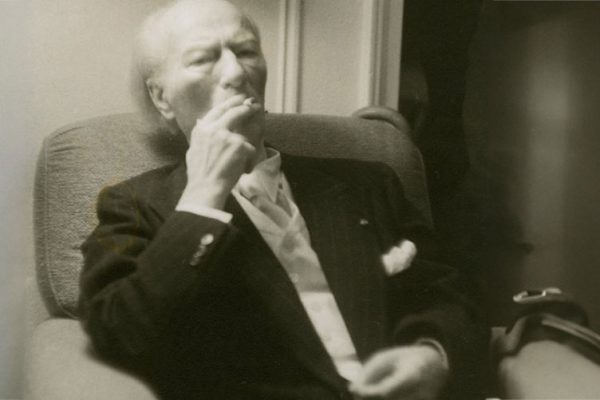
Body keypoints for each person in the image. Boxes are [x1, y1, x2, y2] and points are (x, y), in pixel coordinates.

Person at [78, 1, 489, 399]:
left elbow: (451, 297)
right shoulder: (133, 205)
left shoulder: (369, 184)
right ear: (162, 98)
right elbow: (118, 333)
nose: (236, 72)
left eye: (246, 51)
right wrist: (202, 198)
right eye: (203, 59)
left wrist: (432, 355)